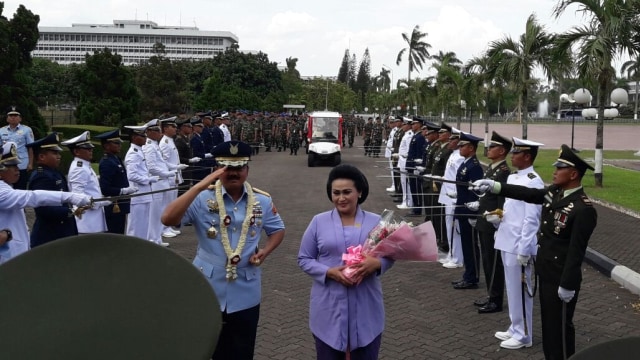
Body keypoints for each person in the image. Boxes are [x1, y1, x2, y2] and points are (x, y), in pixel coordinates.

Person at [161, 140, 285, 360]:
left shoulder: (262, 201)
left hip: (246, 289)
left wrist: (265, 250)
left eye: (239, 168)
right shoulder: (202, 198)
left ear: (247, 169)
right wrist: (200, 185)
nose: (234, 173)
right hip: (207, 288)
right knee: (206, 349)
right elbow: (168, 219)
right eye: (227, 168)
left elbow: (277, 230)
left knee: (242, 350)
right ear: (218, 170)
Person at [472, 144, 597, 359]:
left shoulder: (582, 208)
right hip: (546, 269)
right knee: (549, 326)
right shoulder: (555, 194)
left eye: (560, 169)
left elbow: (576, 252)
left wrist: (567, 284)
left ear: (574, 174)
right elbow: (528, 194)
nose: (554, 172)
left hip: (561, 276)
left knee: (561, 328)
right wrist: (495, 187)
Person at [298, 164, 394, 359]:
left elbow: (390, 255)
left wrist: (377, 265)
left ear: (359, 192)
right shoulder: (319, 221)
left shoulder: (377, 222)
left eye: (347, 192)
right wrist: (328, 272)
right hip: (328, 303)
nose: (341, 198)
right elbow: (304, 258)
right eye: (336, 193)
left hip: (366, 302)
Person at [487, 137, 544, 349]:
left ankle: (524, 335)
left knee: (521, 290)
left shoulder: (533, 181)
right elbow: (512, 209)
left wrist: (525, 248)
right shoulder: (513, 178)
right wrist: (498, 219)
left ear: (527, 156)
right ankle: (515, 325)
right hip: (506, 238)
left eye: (516, 153)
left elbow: (531, 219)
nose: (511, 156)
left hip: (519, 244)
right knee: (512, 288)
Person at [0, 142, 91, 263]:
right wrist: (70, 197)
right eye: (12, 166)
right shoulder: (3, 191)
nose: (17, 169)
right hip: (8, 256)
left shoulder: (7, 187)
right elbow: (33, 197)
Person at [466, 131, 511, 313]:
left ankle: (495, 299)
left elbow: (501, 200)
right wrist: (478, 203)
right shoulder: (493, 168)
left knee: (493, 262)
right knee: (487, 260)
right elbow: (488, 195)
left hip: (492, 224)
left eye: (492, 147)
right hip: (484, 221)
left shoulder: (503, 172)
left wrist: (498, 220)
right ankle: (490, 294)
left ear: (501, 151)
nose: (488, 149)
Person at [27, 133, 78, 247]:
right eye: (55, 153)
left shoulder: (54, 172)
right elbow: (43, 209)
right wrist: (71, 211)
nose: (59, 156)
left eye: (58, 152)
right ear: (41, 157)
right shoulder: (41, 176)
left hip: (62, 230)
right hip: (50, 234)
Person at [451, 132, 484, 290]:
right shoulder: (465, 163)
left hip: (469, 211)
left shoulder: (475, 166)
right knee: (466, 244)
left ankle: (473, 277)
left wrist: (474, 212)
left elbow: (477, 191)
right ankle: (468, 274)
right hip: (462, 208)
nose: (459, 148)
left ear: (471, 148)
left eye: (462, 146)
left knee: (471, 245)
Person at [62, 131, 111, 234]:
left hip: (93, 220)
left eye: (91, 148)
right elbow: (78, 197)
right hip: (86, 222)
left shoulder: (84, 165)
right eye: (87, 148)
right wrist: (100, 202)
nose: (91, 150)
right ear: (76, 151)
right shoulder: (79, 168)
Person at [95, 129, 137, 234]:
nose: (119, 145)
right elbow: (105, 189)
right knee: (115, 234)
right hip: (114, 206)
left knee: (120, 232)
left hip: (120, 204)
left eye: (119, 143)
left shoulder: (115, 159)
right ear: (106, 146)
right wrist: (123, 191)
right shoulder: (107, 162)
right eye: (116, 143)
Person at [143, 119, 177, 245]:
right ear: (149, 132)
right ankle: (153, 238)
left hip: (162, 181)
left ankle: (157, 238)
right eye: (156, 130)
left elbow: (161, 163)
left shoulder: (155, 145)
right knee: (155, 213)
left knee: (161, 210)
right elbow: (151, 167)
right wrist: (167, 173)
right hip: (157, 182)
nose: (159, 133)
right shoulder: (150, 146)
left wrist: (175, 168)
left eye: (159, 130)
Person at [123, 125, 159, 241]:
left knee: (144, 226)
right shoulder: (133, 153)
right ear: (134, 137)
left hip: (144, 194)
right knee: (136, 226)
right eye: (142, 136)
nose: (145, 138)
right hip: (138, 195)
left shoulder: (139, 150)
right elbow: (132, 175)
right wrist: (148, 179)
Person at [0, 106, 34, 190]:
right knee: (6, 188)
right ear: (7, 118)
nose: (13, 117)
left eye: (15, 115)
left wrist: (30, 163)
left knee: (21, 188)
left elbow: (30, 147)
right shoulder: (1, 131)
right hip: (6, 164)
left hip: (22, 164)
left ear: (20, 118)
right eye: (10, 116)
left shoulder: (27, 130)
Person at [395, 118, 414, 210]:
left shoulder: (409, 135)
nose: (403, 126)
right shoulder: (406, 134)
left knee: (406, 183)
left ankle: (407, 202)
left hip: (405, 161)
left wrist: (401, 155)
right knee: (404, 182)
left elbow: (408, 150)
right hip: (402, 160)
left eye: (405, 125)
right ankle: (405, 201)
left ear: (409, 126)